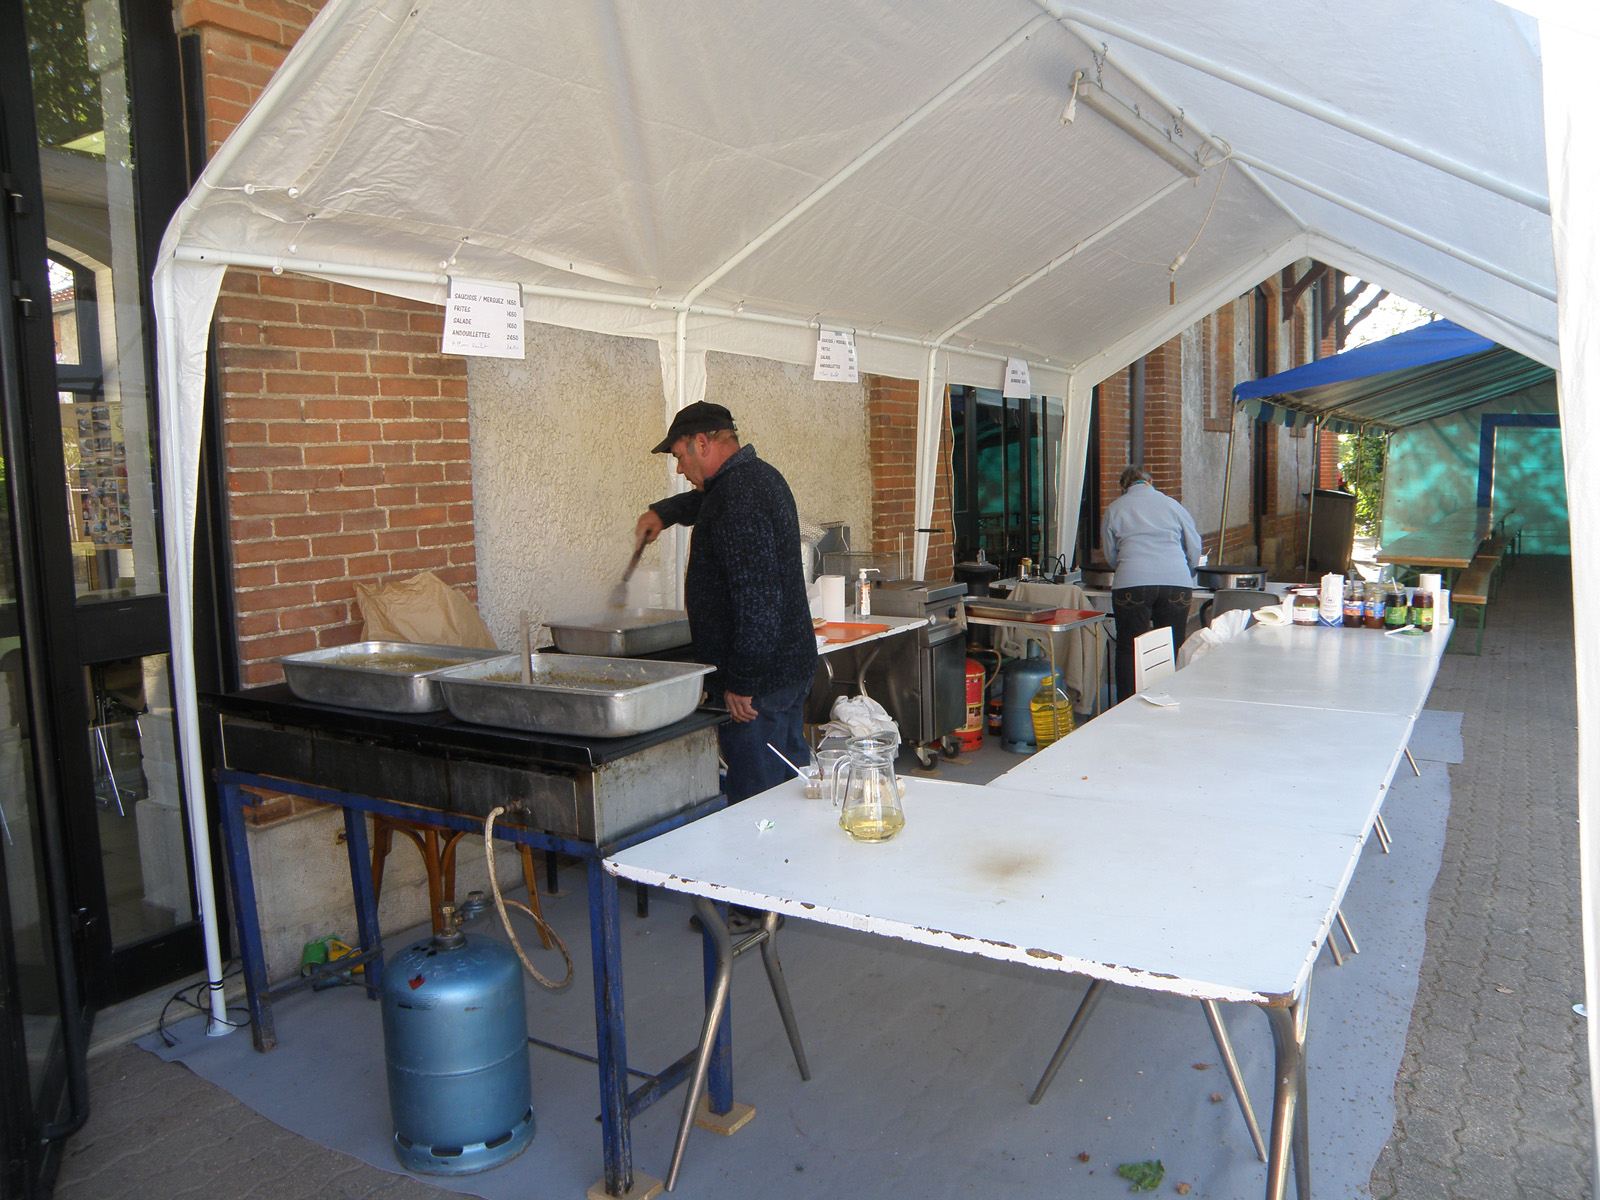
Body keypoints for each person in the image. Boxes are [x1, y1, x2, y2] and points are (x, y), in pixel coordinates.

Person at [634, 402, 817, 803]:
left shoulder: (737, 498)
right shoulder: (756, 477)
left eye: (679, 456)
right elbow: (705, 500)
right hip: (785, 671)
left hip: (760, 688)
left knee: (759, 807)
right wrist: (663, 514)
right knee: (792, 792)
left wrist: (742, 682)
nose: (679, 469)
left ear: (702, 443)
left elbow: (759, 601)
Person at [1100, 465, 1202, 702]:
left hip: (1132, 581)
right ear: (1150, 481)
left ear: (1123, 486)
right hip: (1176, 581)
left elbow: (1110, 553)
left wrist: (1125, 568)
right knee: (1172, 645)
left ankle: (1127, 704)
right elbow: (1194, 545)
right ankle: (1169, 697)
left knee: (1129, 646)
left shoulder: (1115, 508)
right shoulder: (1172, 505)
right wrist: (1186, 571)